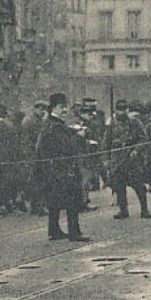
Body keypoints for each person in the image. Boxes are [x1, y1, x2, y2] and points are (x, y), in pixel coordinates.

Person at [34, 92, 90, 242]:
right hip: (63, 170)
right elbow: (66, 148)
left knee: (55, 201)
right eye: (61, 107)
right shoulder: (56, 127)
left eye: (65, 107)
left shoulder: (50, 124)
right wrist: (79, 137)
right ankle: (74, 232)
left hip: (52, 170)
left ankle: (54, 230)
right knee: (72, 200)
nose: (65, 110)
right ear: (53, 108)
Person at [104, 100, 151, 219]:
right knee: (119, 186)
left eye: (124, 109)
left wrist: (136, 150)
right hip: (117, 159)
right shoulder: (112, 124)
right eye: (119, 109)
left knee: (139, 185)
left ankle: (144, 210)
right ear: (116, 110)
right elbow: (106, 142)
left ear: (127, 110)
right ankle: (123, 210)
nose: (122, 111)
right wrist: (106, 159)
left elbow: (144, 138)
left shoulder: (134, 122)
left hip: (131, 159)